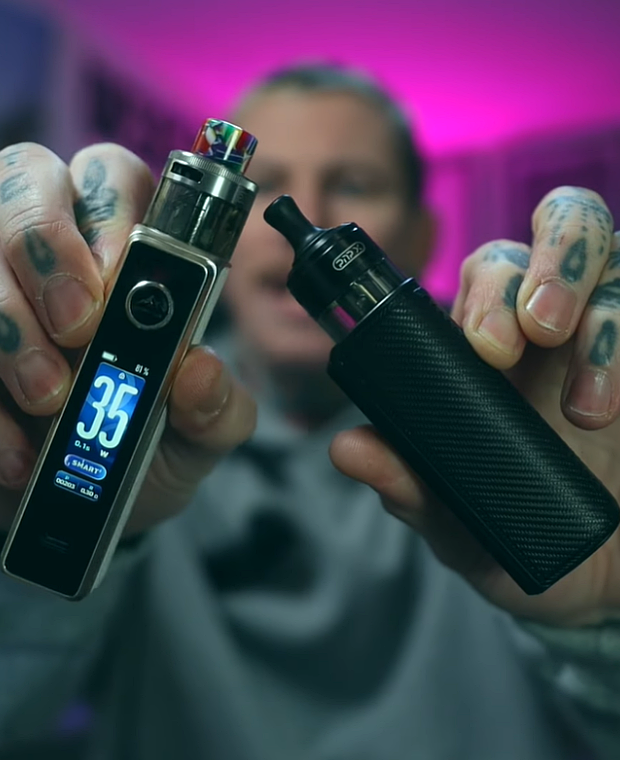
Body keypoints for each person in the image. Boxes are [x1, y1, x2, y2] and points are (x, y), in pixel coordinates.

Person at [0, 64, 618, 759]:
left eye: (354, 183)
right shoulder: (103, 409)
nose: (306, 209)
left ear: (422, 237)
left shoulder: (510, 415)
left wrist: (603, 617)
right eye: (265, 184)